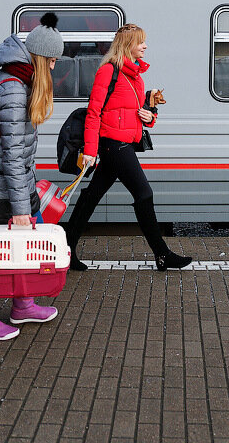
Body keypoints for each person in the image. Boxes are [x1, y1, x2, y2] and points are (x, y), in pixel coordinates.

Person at [0, 13, 64, 341]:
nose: (54, 67)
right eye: (51, 60)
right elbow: (11, 156)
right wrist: (21, 210)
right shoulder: (13, 91)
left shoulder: (22, 81)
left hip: (15, 185)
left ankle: (23, 305)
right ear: (38, 58)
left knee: (28, 247)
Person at [66, 24, 192, 271]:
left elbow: (135, 110)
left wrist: (150, 116)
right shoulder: (108, 71)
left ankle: (67, 249)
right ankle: (162, 254)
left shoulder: (135, 76)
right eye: (140, 42)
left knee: (91, 196)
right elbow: (93, 112)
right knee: (144, 194)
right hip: (114, 145)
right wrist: (90, 150)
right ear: (127, 45)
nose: (145, 46)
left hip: (124, 144)